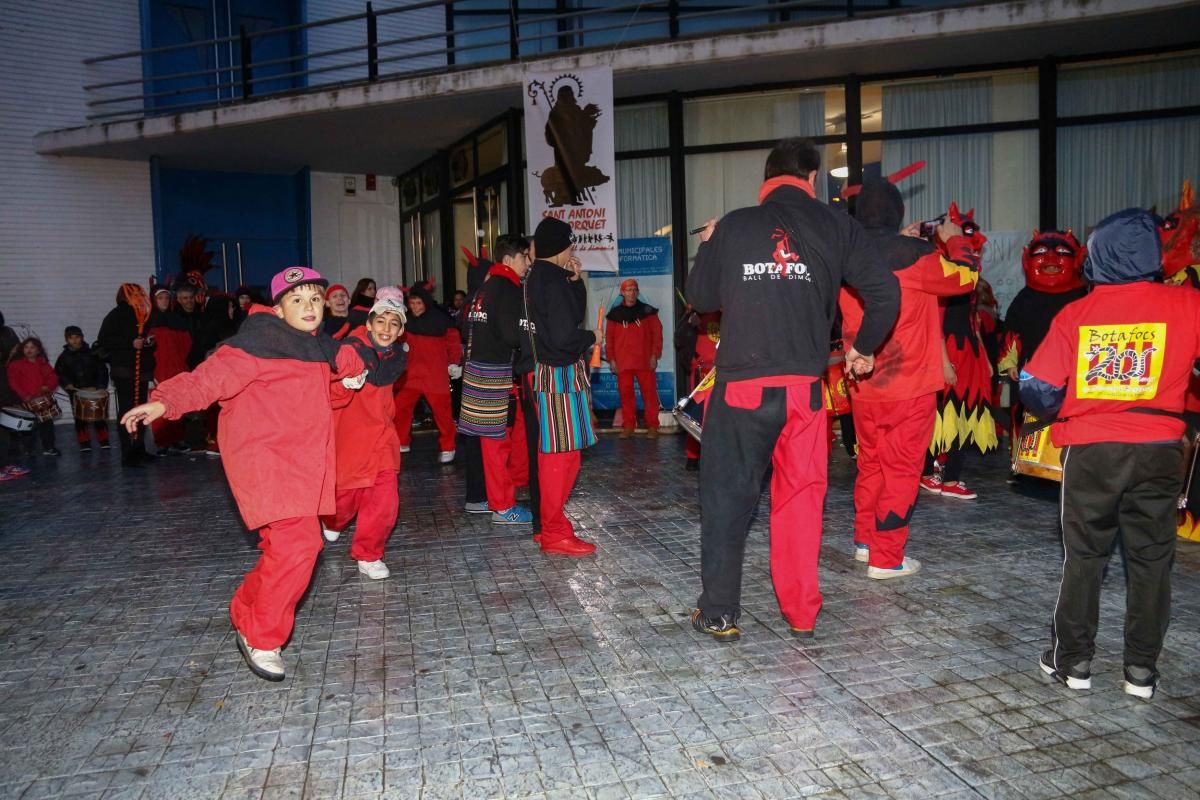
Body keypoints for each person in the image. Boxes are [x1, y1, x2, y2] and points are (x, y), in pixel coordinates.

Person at [686, 138, 900, 640]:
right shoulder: (837, 225)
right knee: (801, 501)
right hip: (804, 392)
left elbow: (700, 297)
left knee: (726, 500)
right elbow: (884, 292)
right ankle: (802, 613)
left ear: (766, 179)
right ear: (809, 177)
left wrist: (711, 244)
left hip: (742, 390)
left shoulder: (735, 224)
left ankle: (719, 613)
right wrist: (863, 347)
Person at [120, 266, 364, 681]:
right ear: (278, 306)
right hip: (266, 463)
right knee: (299, 547)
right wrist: (162, 403)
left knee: (285, 548)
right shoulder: (253, 346)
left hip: (304, 464)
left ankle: (246, 608)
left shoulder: (315, 347)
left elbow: (327, 389)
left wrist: (349, 381)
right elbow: (206, 380)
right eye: (297, 299)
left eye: (314, 299)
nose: (308, 307)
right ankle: (261, 635)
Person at [1020, 209, 1200, 700]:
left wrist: (1067, 405)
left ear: (1095, 256)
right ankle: (1141, 671)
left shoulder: (1077, 312)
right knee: (1152, 560)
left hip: (1093, 449)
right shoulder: (1190, 304)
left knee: (1084, 557)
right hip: (1161, 450)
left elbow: (1035, 387)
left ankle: (1073, 661)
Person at [838, 179, 980, 580]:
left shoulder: (846, 254)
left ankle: (865, 542)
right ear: (898, 213)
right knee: (901, 469)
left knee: (871, 465)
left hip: (864, 384)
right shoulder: (916, 256)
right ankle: (887, 557)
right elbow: (967, 279)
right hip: (911, 385)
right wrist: (952, 241)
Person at [522, 217, 599, 556]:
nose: (573, 248)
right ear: (560, 246)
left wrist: (576, 282)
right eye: (570, 243)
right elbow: (567, 335)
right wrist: (594, 337)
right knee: (561, 457)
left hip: (550, 372)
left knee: (560, 455)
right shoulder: (550, 282)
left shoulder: (540, 276)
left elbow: (568, 316)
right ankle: (553, 530)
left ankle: (550, 524)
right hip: (557, 375)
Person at [321, 288, 409, 579]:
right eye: (381, 321)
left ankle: (369, 554)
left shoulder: (395, 358)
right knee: (343, 501)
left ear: (400, 331)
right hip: (349, 440)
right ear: (369, 323)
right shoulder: (348, 351)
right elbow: (326, 393)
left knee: (385, 499)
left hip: (381, 439)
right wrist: (344, 384)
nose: (386, 329)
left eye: (394, 323)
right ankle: (332, 522)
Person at [919, 203, 996, 500]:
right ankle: (931, 473)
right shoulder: (940, 274)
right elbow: (933, 323)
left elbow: (973, 321)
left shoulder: (968, 275)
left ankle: (949, 476)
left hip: (970, 355)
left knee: (967, 415)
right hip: (946, 353)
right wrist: (945, 362)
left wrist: (986, 361)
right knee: (940, 416)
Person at [457, 234, 533, 525]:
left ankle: (497, 500)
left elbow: (467, 328)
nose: (527, 263)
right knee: (496, 444)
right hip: (495, 372)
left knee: (490, 443)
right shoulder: (508, 289)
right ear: (509, 259)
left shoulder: (484, 288)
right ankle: (503, 506)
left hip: (476, 370)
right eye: (524, 257)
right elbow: (512, 334)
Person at [998, 230, 1088, 454]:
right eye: (1040, 253)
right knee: (1026, 416)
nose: (1050, 260)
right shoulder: (1024, 298)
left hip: (1073, 372)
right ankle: (1023, 463)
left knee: (1070, 417)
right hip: (1032, 371)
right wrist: (1009, 363)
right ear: (1026, 260)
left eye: (1061, 253)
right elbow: (1012, 332)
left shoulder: (1084, 297)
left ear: (1078, 258)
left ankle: (1068, 462)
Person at [393, 282, 462, 463]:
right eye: (412, 303)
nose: (415, 307)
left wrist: (454, 362)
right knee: (400, 408)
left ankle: (448, 446)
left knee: (442, 413)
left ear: (426, 302)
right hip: (411, 375)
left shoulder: (441, 320)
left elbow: (453, 342)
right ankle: (401, 441)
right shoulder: (405, 320)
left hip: (435, 376)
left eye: (418, 303)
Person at [98, 284, 156, 467]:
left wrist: (147, 342)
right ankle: (127, 451)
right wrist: (130, 343)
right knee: (127, 410)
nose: (139, 297)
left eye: (140, 294)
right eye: (136, 294)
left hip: (141, 370)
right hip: (125, 371)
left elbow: (145, 339)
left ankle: (139, 448)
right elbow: (104, 342)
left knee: (141, 410)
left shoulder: (142, 315)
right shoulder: (115, 315)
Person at [606, 278, 663, 438]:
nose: (631, 293)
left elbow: (657, 334)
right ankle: (629, 426)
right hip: (623, 361)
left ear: (637, 292)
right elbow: (609, 338)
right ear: (622, 292)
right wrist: (611, 359)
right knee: (626, 395)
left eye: (634, 290)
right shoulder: (614, 315)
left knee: (649, 394)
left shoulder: (648, 311)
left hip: (645, 360)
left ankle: (653, 426)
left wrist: (655, 354)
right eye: (628, 290)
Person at [675, 306, 720, 470]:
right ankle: (693, 455)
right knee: (697, 412)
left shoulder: (732, 313)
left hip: (724, 370)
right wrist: (689, 322)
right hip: (702, 372)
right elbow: (680, 338)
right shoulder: (697, 313)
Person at [54, 325, 111, 452]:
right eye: (71, 338)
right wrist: (67, 384)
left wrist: (101, 386)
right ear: (67, 340)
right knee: (79, 418)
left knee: (99, 416)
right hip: (76, 392)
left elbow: (102, 370)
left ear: (82, 338)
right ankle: (84, 442)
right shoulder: (63, 357)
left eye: (77, 337)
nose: (74, 340)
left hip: (94, 389)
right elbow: (59, 373)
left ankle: (104, 440)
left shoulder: (93, 353)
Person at [7, 337, 61, 456]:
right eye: (26, 347)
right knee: (28, 426)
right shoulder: (16, 365)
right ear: (22, 349)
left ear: (38, 350)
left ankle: (49, 447)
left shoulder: (43, 363)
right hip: (25, 400)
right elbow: (13, 382)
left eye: (32, 347)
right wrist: (24, 395)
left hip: (41, 400)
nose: (29, 350)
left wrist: (48, 386)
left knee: (47, 425)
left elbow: (53, 377)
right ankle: (29, 449)